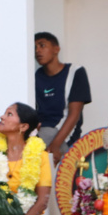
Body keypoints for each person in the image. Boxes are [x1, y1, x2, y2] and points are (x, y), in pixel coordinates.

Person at [33, 32, 91, 164]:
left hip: (63, 134)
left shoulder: (75, 71)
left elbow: (74, 113)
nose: (38, 51)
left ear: (56, 49)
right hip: (40, 133)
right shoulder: (36, 76)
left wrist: (55, 145)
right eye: (35, 48)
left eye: (42, 45)